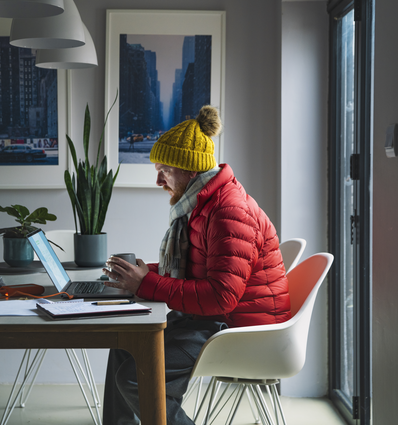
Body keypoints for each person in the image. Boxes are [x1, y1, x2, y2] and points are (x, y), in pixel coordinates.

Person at [101, 105, 291, 425]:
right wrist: (142, 273)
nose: (159, 179)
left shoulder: (229, 212)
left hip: (240, 330)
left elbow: (221, 297)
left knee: (135, 378)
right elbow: (194, 268)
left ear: (190, 171)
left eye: (165, 169)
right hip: (217, 318)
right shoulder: (203, 203)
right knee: (126, 342)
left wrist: (145, 283)